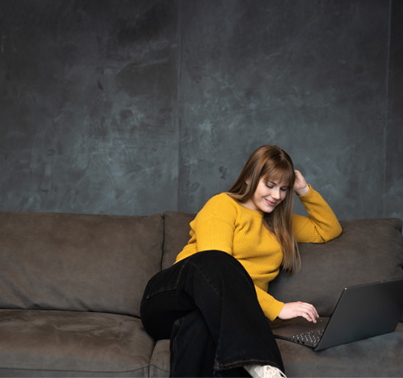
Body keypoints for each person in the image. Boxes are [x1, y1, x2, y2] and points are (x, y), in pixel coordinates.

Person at [140, 145, 343, 378]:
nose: (277, 196)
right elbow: (215, 271)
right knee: (218, 261)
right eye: (270, 185)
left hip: (211, 315)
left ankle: (259, 366)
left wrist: (304, 190)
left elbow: (328, 229)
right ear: (249, 178)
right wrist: (277, 308)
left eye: (283, 189)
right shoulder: (223, 205)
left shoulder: (281, 224)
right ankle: (258, 360)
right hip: (168, 301)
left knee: (200, 329)